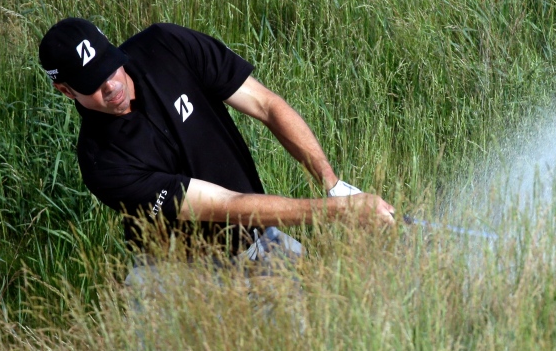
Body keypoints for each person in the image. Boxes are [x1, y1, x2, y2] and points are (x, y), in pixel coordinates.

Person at [38, 17, 395, 269]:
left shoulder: (167, 46)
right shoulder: (104, 162)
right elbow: (227, 205)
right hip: (179, 278)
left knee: (325, 323)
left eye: (110, 67)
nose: (111, 85)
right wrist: (340, 212)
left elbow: (267, 106)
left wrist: (333, 186)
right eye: (92, 82)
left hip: (255, 240)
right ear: (65, 90)